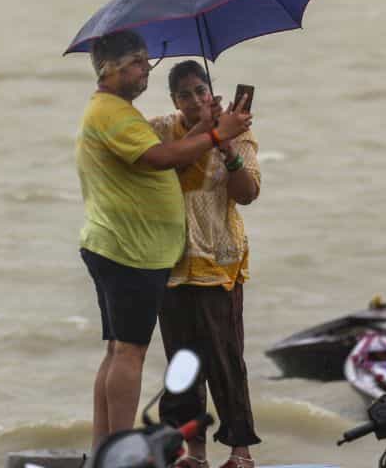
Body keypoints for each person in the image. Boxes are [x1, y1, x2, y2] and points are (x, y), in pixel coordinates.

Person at [75, 30, 252, 446]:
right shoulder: (113, 114)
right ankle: (118, 451)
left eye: (146, 61)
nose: (145, 71)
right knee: (130, 353)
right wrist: (213, 135)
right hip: (130, 252)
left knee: (118, 351)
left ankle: (105, 448)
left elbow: (239, 186)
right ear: (110, 69)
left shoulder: (117, 111)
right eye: (137, 63)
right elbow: (158, 158)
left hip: (126, 248)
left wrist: (213, 132)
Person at [149, 60, 262, 468]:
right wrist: (210, 131)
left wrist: (227, 144)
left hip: (219, 259)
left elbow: (247, 192)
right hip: (172, 259)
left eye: (201, 91)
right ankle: (193, 452)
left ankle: (240, 450)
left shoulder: (240, 131)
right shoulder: (161, 129)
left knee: (225, 356)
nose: (195, 100)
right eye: (185, 94)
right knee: (182, 362)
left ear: (211, 91)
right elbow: (158, 166)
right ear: (173, 100)